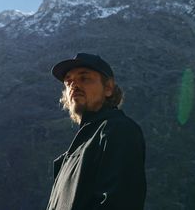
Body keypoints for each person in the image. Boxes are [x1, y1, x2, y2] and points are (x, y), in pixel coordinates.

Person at [46, 53, 146, 210]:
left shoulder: (118, 130)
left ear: (108, 88)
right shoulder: (72, 154)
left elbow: (119, 203)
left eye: (84, 78)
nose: (74, 85)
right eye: (68, 81)